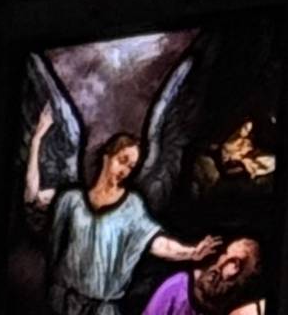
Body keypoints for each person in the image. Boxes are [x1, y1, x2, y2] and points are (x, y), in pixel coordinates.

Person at [24, 107, 223, 315]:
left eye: (131, 166)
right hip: (64, 306)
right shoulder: (71, 200)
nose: (125, 170)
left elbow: (156, 243)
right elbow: (32, 196)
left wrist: (191, 252)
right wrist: (37, 139)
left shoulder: (132, 207)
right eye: (122, 161)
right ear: (107, 156)